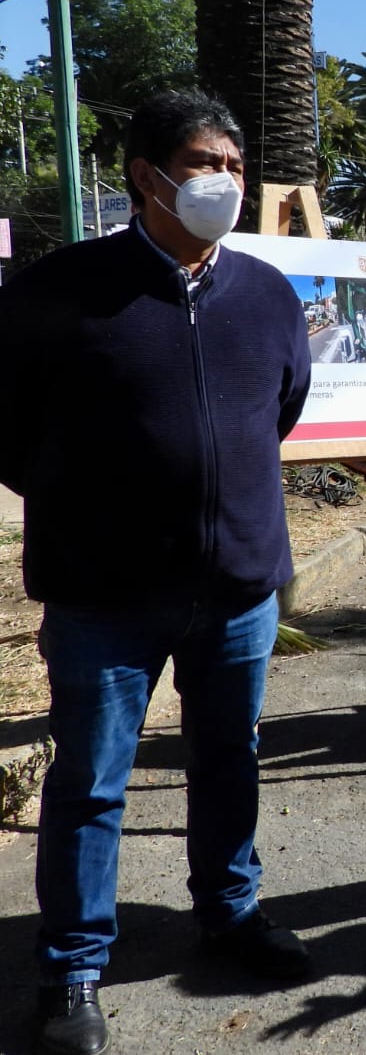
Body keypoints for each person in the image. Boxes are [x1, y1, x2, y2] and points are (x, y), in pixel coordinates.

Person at [0, 91, 313, 1055]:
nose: (224, 177)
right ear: (145, 176)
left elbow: (280, 411)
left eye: (235, 161)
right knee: (92, 783)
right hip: (104, 597)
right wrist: (97, 502)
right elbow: (7, 427)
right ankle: (72, 972)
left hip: (236, 590)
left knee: (231, 759)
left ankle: (230, 914)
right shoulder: (56, 293)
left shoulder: (266, 294)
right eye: (202, 160)